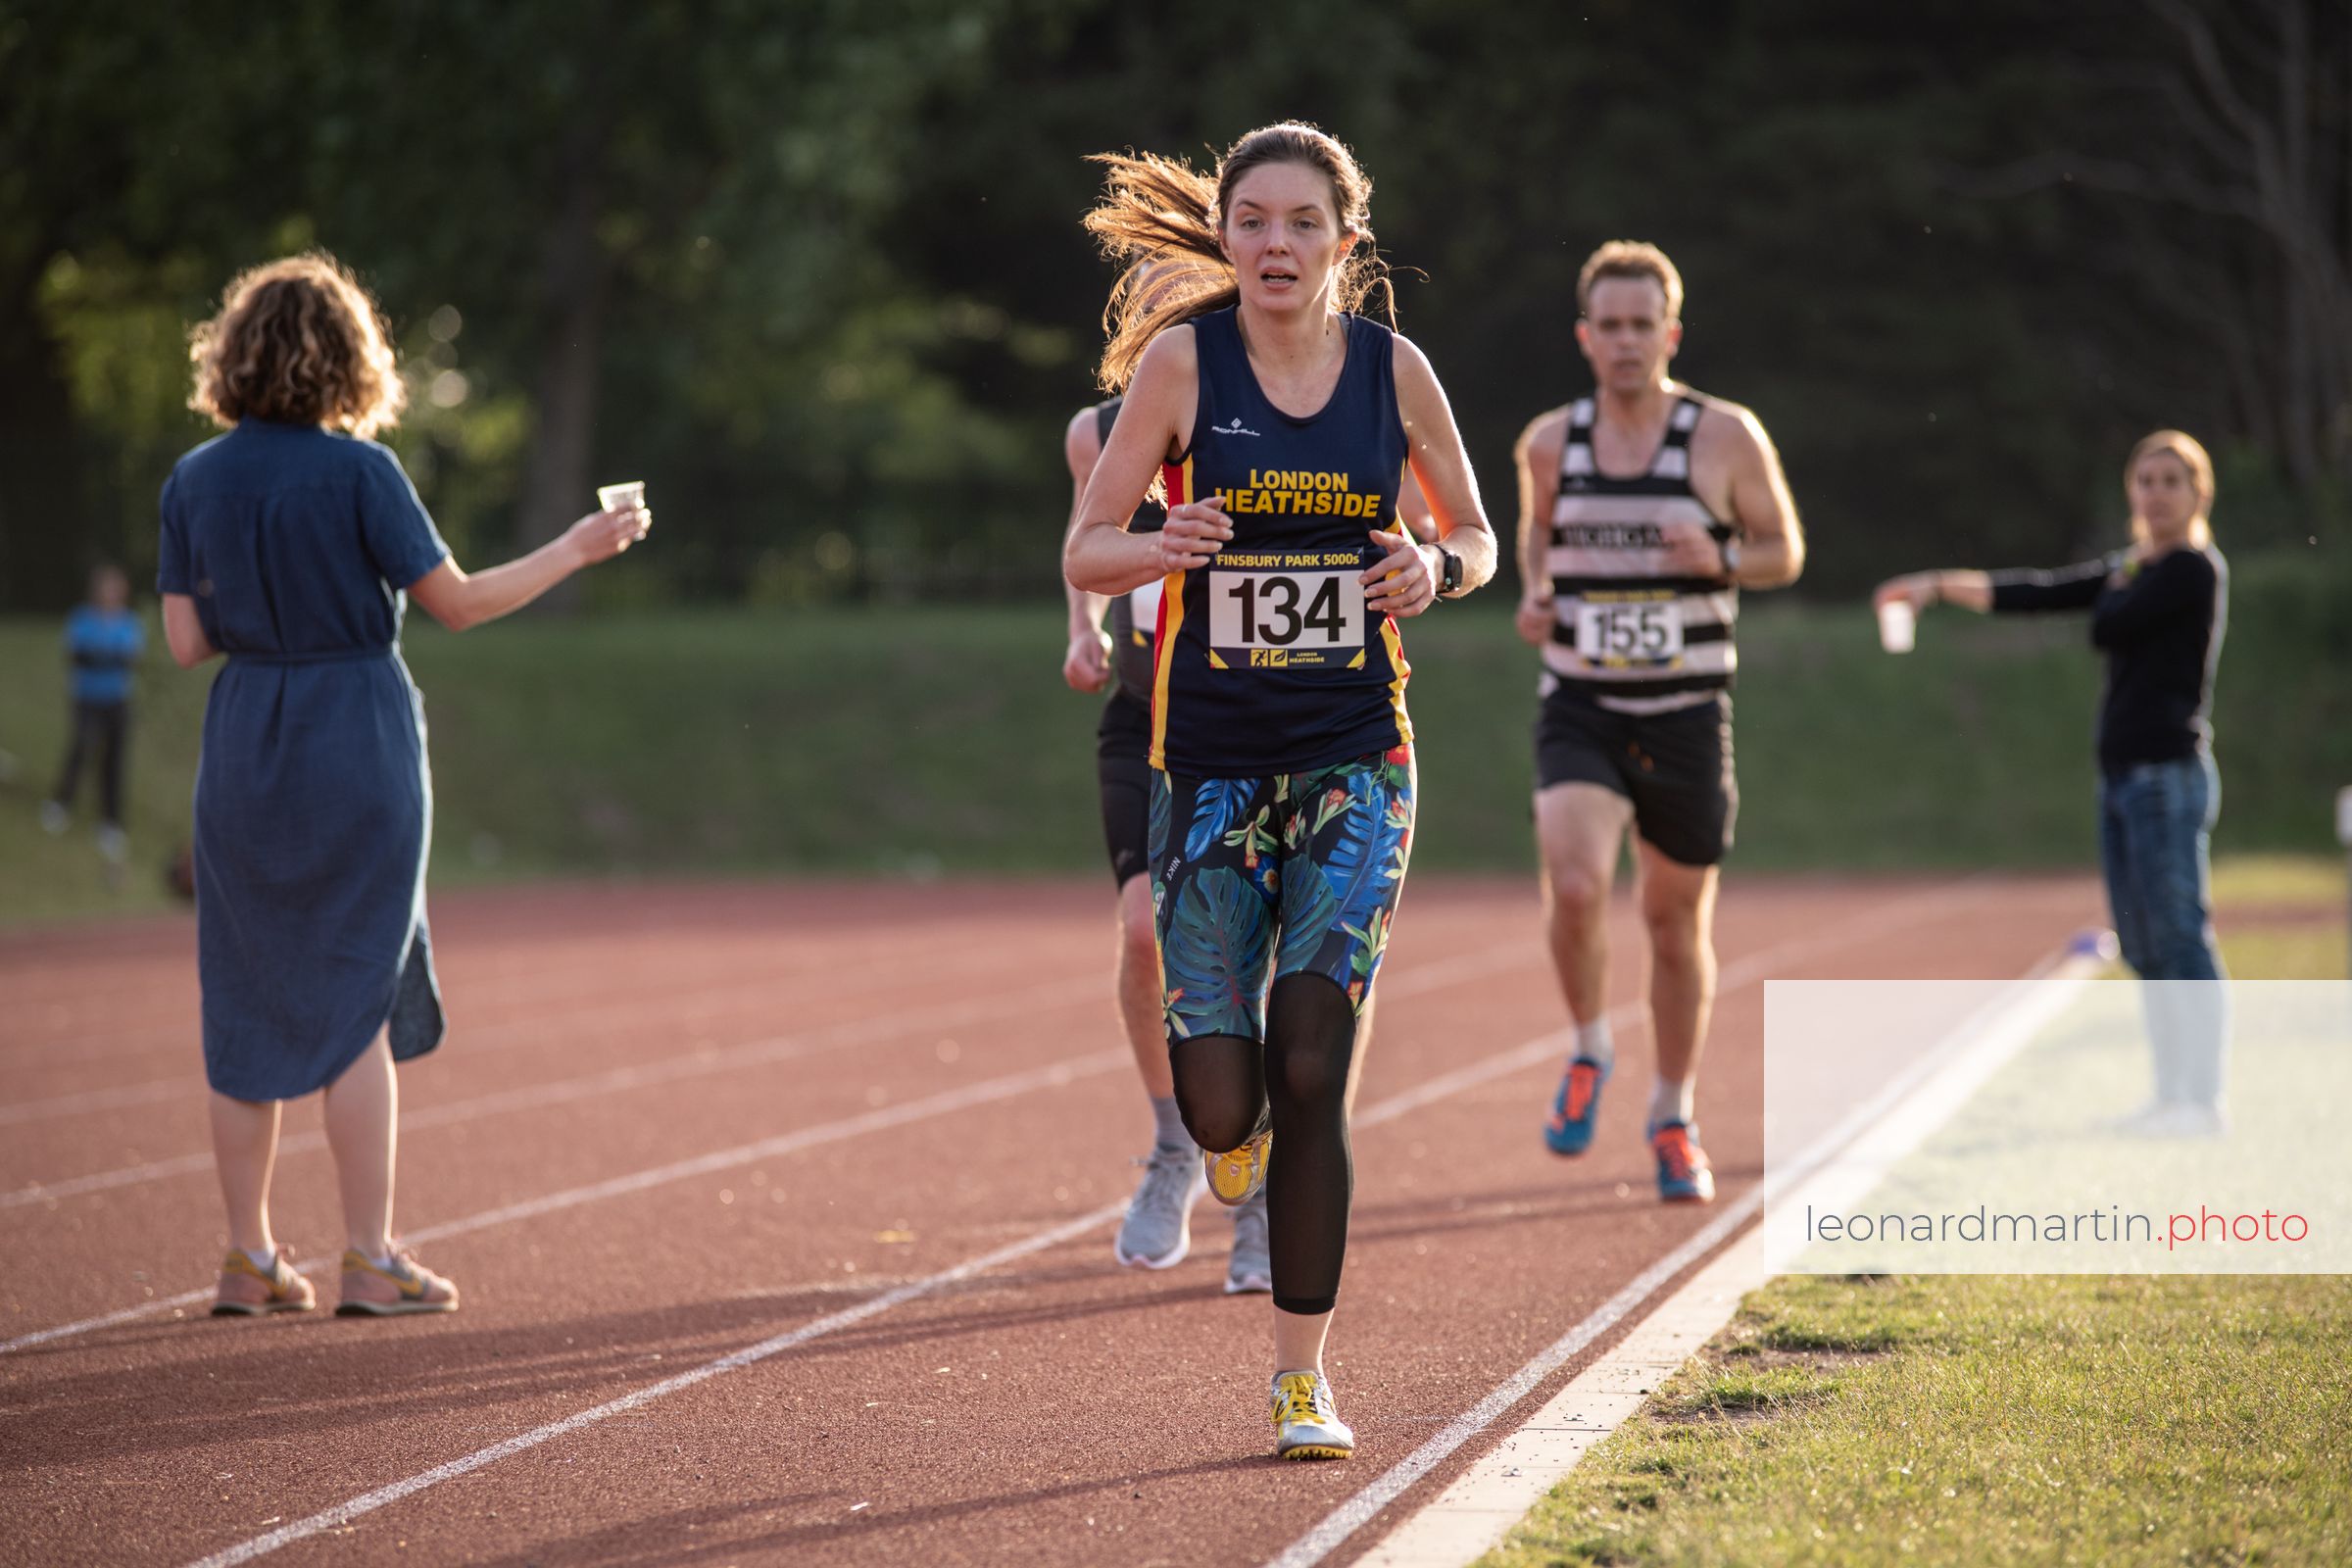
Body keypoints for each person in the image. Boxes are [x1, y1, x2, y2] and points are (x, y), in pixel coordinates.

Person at [1066, 122, 1497, 1460]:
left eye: (1304, 222)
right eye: (1252, 219)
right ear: (1225, 236)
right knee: (1221, 1098)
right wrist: (1160, 544)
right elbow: (1086, 548)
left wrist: (1437, 568)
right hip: (1208, 765)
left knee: (1313, 1053)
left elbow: (1479, 535)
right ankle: (1223, 1145)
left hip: (1357, 755)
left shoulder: (1395, 371)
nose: (1275, 243)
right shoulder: (1182, 367)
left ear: (1346, 244)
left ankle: (1301, 1377)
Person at [159, 252, 650, 1319]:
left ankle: (248, 1257)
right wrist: (575, 548)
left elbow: (186, 643)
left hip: (245, 742)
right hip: (355, 732)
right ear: (349, 356)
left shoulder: (192, 480)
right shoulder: (362, 473)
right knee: (357, 996)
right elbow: (458, 605)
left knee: (241, 996)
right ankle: (370, 1257)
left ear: (233, 356)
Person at [1062, 380, 1436, 1294]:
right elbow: (1086, 540)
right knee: (1149, 934)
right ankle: (1177, 1144)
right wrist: (1084, 627)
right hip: (1160, 715)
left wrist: (1422, 558)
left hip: (1304, 714)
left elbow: (1426, 519)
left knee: (1309, 968)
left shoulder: (1326, 397)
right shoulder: (1099, 431)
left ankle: (1284, 1177)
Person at [1514, 240, 1805, 1203]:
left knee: (1674, 923)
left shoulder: (1724, 437)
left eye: (1644, 325)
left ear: (1670, 334)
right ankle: (1590, 1044)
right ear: (1584, 337)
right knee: (1576, 882)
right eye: (1611, 326)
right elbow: (1538, 538)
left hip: (1686, 710)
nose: (1627, 341)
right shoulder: (1550, 443)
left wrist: (1719, 553)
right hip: (1583, 703)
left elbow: (1784, 551)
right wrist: (1538, 594)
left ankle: (1673, 1114)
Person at [1875, 430, 2229, 1135]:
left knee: (2180, 937)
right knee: (2142, 944)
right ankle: (2170, 1098)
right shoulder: (2133, 568)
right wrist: (1935, 587)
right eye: (2146, 480)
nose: (2157, 494)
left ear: (2198, 494)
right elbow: (2038, 592)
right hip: (2120, 780)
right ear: (2131, 491)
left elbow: (2108, 624)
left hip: (2166, 777)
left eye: (2172, 481)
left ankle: (2200, 1100)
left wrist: (2115, 589)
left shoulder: (2191, 569)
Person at [42, 564, 146, 869]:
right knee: (80, 748)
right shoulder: (82, 619)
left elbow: (128, 658)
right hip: (86, 698)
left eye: (116, 587)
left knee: (114, 759)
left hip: (117, 701)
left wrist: (100, 656)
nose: (110, 592)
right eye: (106, 587)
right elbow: (77, 656)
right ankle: (61, 803)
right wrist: (107, 656)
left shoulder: (129, 622)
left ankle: (111, 821)